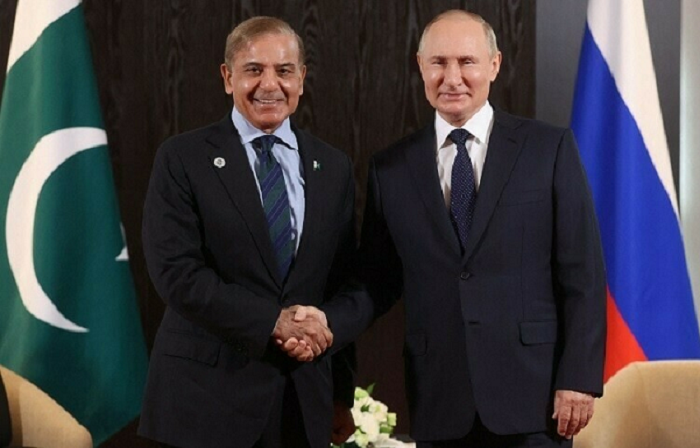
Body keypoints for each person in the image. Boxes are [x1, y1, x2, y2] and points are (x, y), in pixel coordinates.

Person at [323, 9, 607, 448]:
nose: (451, 77)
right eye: (438, 63)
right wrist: (324, 323)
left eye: (466, 62)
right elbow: (376, 283)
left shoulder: (547, 150)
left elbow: (582, 275)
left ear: (493, 66)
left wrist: (579, 379)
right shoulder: (391, 168)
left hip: (534, 400)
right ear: (420, 67)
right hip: (440, 398)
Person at [138, 16, 359, 448]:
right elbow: (176, 274)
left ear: (302, 78)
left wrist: (340, 395)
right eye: (254, 70)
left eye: (284, 70)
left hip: (301, 402)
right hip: (205, 403)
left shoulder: (333, 167)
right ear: (228, 77)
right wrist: (272, 322)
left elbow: (339, 281)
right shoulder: (183, 158)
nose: (269, 85)